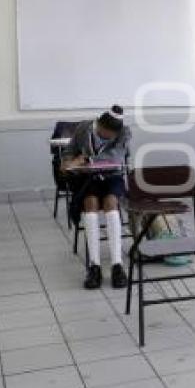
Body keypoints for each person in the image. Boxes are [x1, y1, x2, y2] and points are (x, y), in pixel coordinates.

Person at [62, 105, 132, 290]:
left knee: (111, 202)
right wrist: (69, 162)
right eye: (104, 132)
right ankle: (94, 266)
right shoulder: (84, 128)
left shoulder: (124, 133)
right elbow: (70, 150)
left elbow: (116, 157)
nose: (106, 136)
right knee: (90, 203)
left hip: (112, 176)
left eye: (110, 134)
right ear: (99, 124)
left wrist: (86, 160)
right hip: (88, 178)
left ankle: (117, 265)